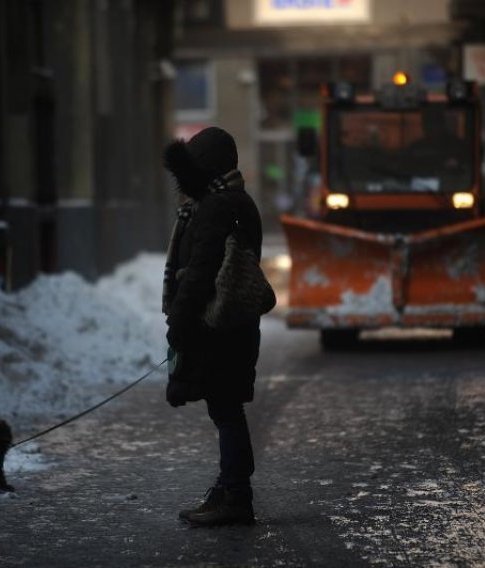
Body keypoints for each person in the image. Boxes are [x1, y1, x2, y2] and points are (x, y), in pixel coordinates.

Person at [161, 126, 262, 527]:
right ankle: (230, 489)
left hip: (218, 326)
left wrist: (179, 322)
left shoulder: (218, 206)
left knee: (226, 408)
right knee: (226, 406)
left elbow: (201, 271)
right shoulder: (233, 201)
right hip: (232, 325)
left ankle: (236, 495)